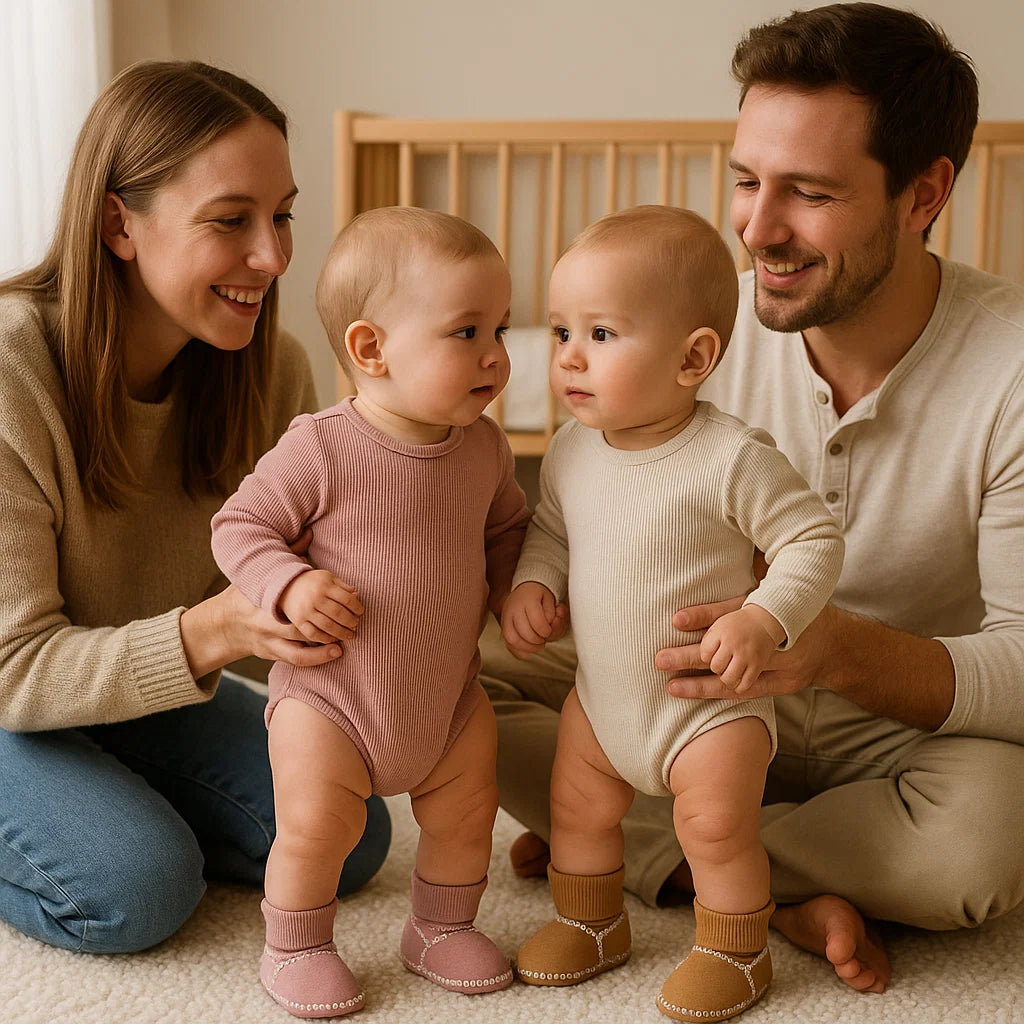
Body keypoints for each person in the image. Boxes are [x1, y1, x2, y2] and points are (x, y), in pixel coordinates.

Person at [480, 0, 1024, 998]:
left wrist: (834, 649)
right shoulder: (681, 327)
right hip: (676, 686)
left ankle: (660, 855)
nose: (759, 229)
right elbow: (556, 496)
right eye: (745, 180)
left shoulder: (1013, 369)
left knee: (981, 846)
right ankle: (740, 876)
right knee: (456, 677)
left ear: (923, 194)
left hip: (888, 732)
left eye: (809, 193)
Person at [0, 60, 390, 957]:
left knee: (350, 831)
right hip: (9, 689)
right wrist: (218, 630)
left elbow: (304, 594)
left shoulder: (272, 371)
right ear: (119, 224)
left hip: (119, 691)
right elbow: (15, 669)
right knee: (136, 884)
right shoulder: (15, 368)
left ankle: (100, 788)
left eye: (281, 215)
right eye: (230, 220)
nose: (274, 257)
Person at [501, 206, 844, 1021]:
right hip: (602, 701)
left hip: (708, 713)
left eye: (601, 334)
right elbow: (552, 530)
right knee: (578, 808)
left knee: (716, 832)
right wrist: (532, 584)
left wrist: (764, 617)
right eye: (561, 331)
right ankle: (591, 924)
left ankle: (736, 951)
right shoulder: (571, 448)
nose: (568, 355)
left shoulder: (730, 456)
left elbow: (813, 540)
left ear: (693, 358)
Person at [211, 206, 528, 1016]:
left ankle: (439, 928)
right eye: (466, 332)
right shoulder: (320, 446)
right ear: (371, 348)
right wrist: (287, 584)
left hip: (446, 701)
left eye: (500, 328)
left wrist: (517, 589)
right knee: (316, 829)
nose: (496, 354)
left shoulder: (486, 448)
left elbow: (507, 532)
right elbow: (239, 527)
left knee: (467, 813)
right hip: (331, 703)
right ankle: (297, 945)